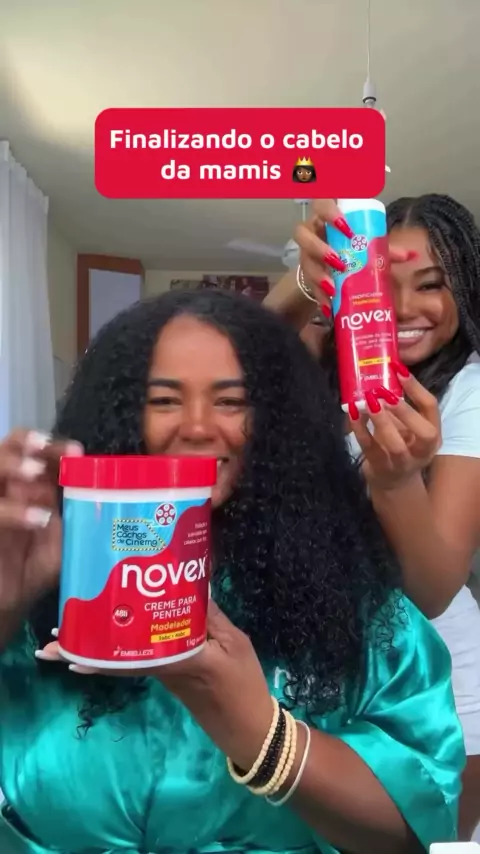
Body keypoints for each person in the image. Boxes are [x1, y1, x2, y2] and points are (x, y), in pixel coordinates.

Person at [0, 290, 463, 854]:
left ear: (276, 422)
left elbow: (424, 820)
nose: (197, 427)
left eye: (231, 401)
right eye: (164, 400)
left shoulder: (357, 602)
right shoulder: (44, 576)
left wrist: (262, 734)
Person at [265, 193, 480, 839]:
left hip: (443, 668)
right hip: (328, 659)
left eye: (432, 284)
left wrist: (397, 479)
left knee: (435, 841)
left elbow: (434, 588)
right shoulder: (324, 360)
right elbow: (242, 353)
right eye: (384, 284)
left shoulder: (467, 390)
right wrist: (305, 281)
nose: (405, 308)